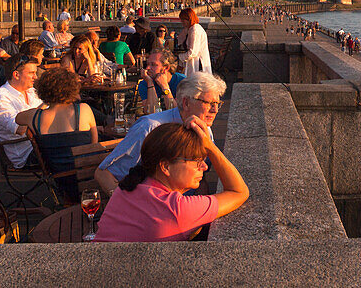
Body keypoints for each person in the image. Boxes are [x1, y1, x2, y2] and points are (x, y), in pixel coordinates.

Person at [95, 120, 248, 242]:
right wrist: (210, 146)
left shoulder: (125, 189)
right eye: (196, 161)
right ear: (166, 166)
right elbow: (238, 191)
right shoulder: (176, 209)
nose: (204, 167)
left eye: (204, 159)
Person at [95, 72, 226, 193]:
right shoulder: (150, 128)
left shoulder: (204, 128)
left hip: (187, 208)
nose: (215, 110)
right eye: (209, 103)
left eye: (217, 103)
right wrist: (126, 208)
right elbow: (104, 174)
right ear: (186, 103)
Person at [15, 67, 98, 202]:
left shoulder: (34, 117)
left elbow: (18, 118)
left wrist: (44, 104)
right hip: (88, 178)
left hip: (61, 180)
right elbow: (94, 146)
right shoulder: (83, 110)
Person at [0, 55, 44, 167]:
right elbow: (20, 129)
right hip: (28, 153)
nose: (35, 77)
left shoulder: (31, 91)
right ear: (16, 74)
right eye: (31, 73)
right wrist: (48, 103)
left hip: (43, 143)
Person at [139, 49, 184, 114]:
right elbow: (151, 112)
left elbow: (176, 113)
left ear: (166, 68)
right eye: (147, 64)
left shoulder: (182, 82)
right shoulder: (145, 83)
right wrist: (150, 83)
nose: (148, 68)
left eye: (153, 65)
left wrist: (164, 86)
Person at [177, 8, 211, 75]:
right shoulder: (192, 29)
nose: (182, 22)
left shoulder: (194, 30)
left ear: (189, 19)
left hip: (198, 65)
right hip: (195, 64)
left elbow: (192, 52)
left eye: (183, 19)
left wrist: (179, 57)